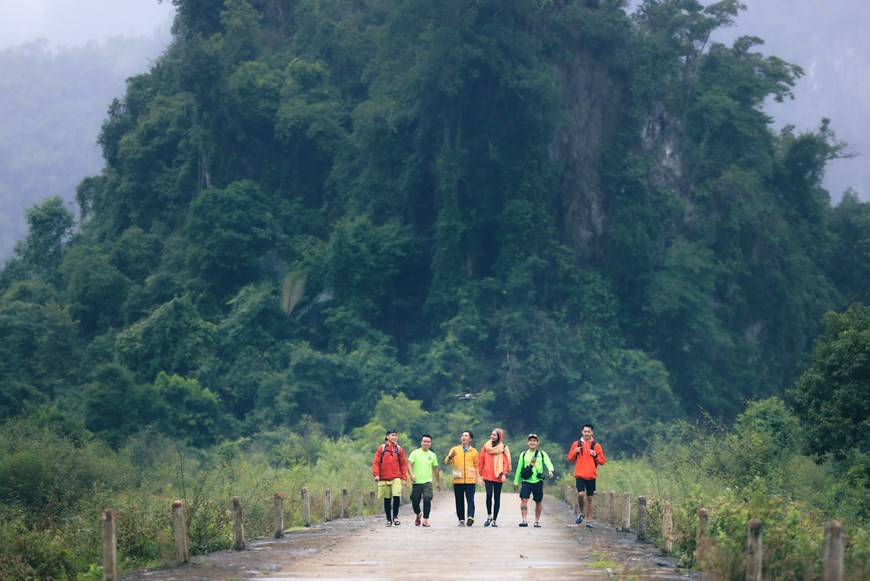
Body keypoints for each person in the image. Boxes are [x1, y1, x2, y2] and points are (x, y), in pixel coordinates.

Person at [567, 423, 606, 528]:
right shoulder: (576, 444)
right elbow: (570, 459)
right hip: (579, 474)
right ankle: (581, 513)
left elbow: (602, 461)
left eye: (589, 431)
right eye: (585, 431)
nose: (587, 433)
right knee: (580, 494)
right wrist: (575, 452)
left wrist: (595, 455)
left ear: (592, 432)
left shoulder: (596, 446)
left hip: (591, 475)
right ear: (582, 432)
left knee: (590, 498)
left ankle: (589, 521)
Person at [513, 434, 554, 528]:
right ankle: (524, 520)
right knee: (524, 499)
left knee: (538, 501)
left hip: (538, 481)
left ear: (537, 443)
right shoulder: (523, 454)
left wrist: (550, 470)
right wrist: (516, 482)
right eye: (530, 441)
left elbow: (548, 463)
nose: (532, 442)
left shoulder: (542, 454)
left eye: (534, 441)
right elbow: (519, 469)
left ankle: (537, 521)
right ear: (528, 443)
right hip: (526, 480)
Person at [372, 428, 407, 526]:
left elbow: (403, 464)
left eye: (396, 435)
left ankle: (395, 517)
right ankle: (388, 519)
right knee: (387, 499)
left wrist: (404, 478)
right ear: (387, 437)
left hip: (396, 477)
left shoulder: (399, 449)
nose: (394, 437)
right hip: (383, 477)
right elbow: (376, 462)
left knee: (396, 496)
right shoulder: (381, 449)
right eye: (392, 435)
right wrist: (376, 475)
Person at [478, 427, 512, 527]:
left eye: (494, 435)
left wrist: (504, 474)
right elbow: (481, 460)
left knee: (497, 498)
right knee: (489, 496)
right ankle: (489, 516)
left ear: (499, 436)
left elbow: (506, 462)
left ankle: (495, 520)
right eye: (492, 434)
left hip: (499, 476)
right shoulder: (486, 446)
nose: (492, 436)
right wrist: (480, 475)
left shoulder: (503, 448)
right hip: (488, 475)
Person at [444, 430, 479, 526]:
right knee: (459, 500)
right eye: (462, 435)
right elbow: (446, 462)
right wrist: (450, 457)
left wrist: (479, 477)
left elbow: (477, 466)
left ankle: (470, 517)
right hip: (458, 479)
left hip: (470, 479)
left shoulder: (474, 451)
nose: (463, 437)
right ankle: (461, 519)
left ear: (470, 439)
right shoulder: (455, 449)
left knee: (470, 499)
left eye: (466, 436)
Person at [407, 434, 441, 527]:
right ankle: (418, 514)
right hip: (416, 481)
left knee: (427, 498)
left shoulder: (432, 455)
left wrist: (438, 482)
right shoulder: (415, 453)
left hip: (427, 481)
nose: (426, 443)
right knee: (415, 499)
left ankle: (425, 519)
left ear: (431, 443)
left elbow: (435, 469)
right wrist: (411, 475)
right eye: (424, 441)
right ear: (421, 442)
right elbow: (409, 464)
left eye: (428, 442)